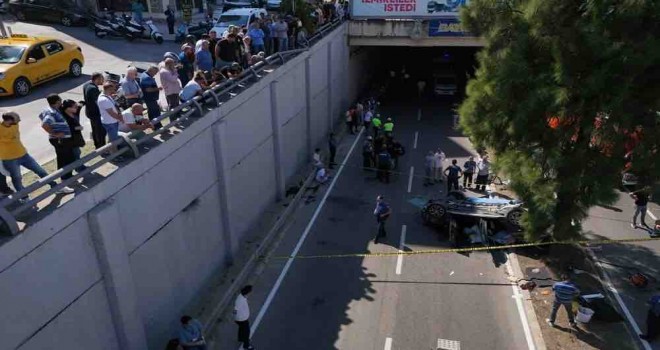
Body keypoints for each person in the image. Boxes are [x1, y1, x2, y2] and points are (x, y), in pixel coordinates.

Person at [0, 111, 72, 195]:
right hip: (9, 159)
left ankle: (56, 187)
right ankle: (24, 197)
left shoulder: (14, 124)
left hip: (23, 154)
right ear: (9, 120)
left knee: (41, 171)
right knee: (17, 179)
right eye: (17, 119)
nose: (19, 121)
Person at [40, 94, 77, 182]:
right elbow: (44, 124)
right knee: (67, 158)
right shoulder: (51, 112)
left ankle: (65, 176)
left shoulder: (50, 109)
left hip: (61, 139)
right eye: (60, 101)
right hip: (60, 140)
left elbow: (41, 116)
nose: (61, 102)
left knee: (63, 158)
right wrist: (55, 134)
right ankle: (66, 177)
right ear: (57, 102)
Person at [60, 100, 87, 173]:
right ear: (68, 108)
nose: (76, 108)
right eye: (74, 107)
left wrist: (83, 103)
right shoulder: (64, 118)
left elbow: (81, 104)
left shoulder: (74, 111)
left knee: (77, 152)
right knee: (76, 153)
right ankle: (79, 167)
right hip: (70, 139)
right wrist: (77, 128)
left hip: (77, 137)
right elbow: (67, 129)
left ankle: (79, 166)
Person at [97, 82, 124, 151]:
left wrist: (112, 97)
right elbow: (111, 113)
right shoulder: (104, 100)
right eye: (113, 89)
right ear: (109, 89)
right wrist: (120, 119)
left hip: (112, 121)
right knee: (113, 140)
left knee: (112, 138)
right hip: (110, 122)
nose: (114, 91)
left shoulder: (106, 96)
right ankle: (114, 155)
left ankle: (112, 151)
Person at [82, 72, 107, 149]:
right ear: (97, 79)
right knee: (100, 131)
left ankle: (97, 145)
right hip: (95, 113)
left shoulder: (86, 84)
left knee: (95, 129)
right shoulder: (93, 89)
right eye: (102, 79)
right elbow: (98, 102)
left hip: (90, 112)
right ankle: (102, 147)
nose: (103, 81)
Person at [139, 65, 163, 130]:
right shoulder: (146, 78)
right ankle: (157, 126)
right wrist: (158, 88)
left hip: (149, 98)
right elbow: (148, 89)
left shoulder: (144, 74)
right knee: (155, 112)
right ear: (151, 70)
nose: (155, 74)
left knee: (151, 112)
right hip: (150, 98)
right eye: (155, 73)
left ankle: (153, 125)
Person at [234, 285, 254, 350]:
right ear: (247, 292)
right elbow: (235, 310)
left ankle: (241, 338)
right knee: (246, 332)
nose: (250, 293)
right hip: (242, 319)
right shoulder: (239, 300)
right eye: (250, 292)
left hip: (241, 319)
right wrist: (235, 316)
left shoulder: (242, 297)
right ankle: (246, 345)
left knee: (242, 329)